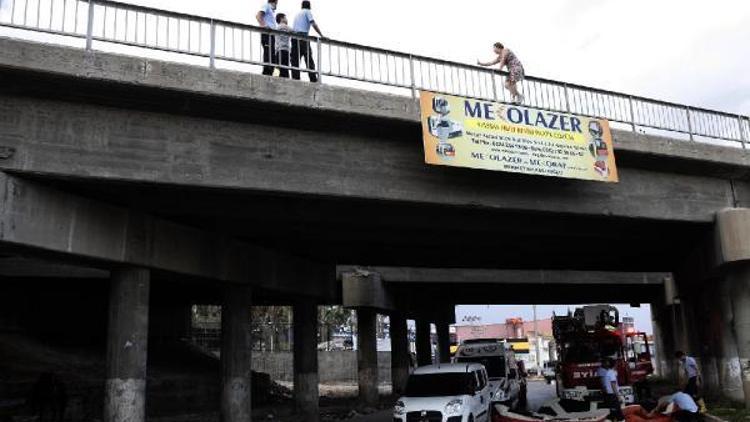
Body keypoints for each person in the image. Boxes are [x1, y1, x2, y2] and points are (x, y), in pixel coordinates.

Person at [291, 1, 324, 82]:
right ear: (309, 6)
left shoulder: (297, 14)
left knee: (295, 59)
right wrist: (321, 35)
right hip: (303, 36)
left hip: (294, 37)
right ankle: (313, 78)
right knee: (308, 58)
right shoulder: (307, 11)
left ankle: (295, 78)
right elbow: (313, 24)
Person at [256, 0, 279, 76]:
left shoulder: (271, 10)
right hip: (267, 34)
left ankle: (271, 71)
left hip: (271, 34)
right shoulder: (267, 6)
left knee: (271, 53)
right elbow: (258, 15)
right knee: (268, 51)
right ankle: (266, 71)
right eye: (276, 3)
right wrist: (264, 25)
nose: (276, 5)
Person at [275, 14, 292, 78]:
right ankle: (286, 79)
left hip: (277, 50)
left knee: (277, 66)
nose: (287, 20)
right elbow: (294, 31)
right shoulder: (284, 26)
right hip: (284, 49)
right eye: (285, 18)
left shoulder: (277, 27)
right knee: (285, 67)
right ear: (282, 19)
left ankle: (275, 78)